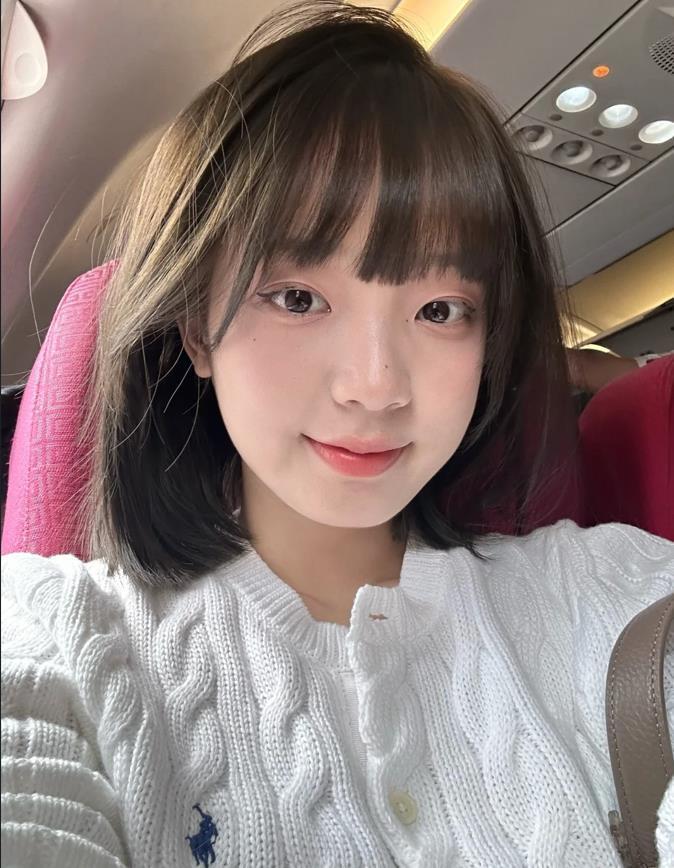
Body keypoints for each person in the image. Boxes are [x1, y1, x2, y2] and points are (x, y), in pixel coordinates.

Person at [1, 4, 672, 866]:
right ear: (197, 329)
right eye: (298, 298)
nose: (376, 388)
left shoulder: (598, 593)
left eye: (440, 310)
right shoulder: (55, 635)